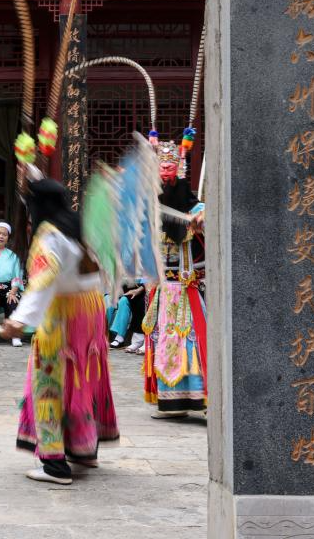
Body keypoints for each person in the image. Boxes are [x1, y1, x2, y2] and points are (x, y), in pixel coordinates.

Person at [1, 175, 119, 485]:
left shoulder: (48, 234)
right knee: (83, 379)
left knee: (49, 382)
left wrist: (20, 318)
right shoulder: (79, 228)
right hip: (91, 312)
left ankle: (54, 463)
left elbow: (44, 277)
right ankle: (83, 448)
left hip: (62, 314)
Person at [142, 140, 207, 418]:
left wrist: (200, 220)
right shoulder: (152, 207)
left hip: (187, 286)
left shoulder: (194, 206)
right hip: (162, 289)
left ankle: (201, 398)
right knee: (164, 341)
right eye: (160, 168)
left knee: (193, 340)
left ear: (178, 171)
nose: (164, 174)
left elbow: (209, 223)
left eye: (169, 168)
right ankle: (170, 402)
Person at [106, 281, 146, 348]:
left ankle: (120, 337)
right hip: (125, 290)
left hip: (140, 291)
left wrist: (138, 290)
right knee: (107, 299)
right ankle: (102, 334)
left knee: (123, 301)